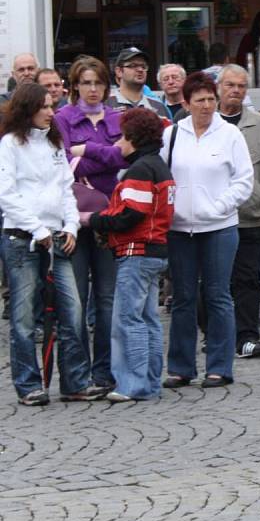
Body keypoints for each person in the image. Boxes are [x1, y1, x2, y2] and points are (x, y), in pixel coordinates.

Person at [0, 83, 104, 405]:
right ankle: (29, 385)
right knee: (24, 319)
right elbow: (6, 194)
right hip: (22, 241)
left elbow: (66, 189)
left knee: (73, 311)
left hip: (59, 239)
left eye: (52, 105)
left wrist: (71, 226)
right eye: (44, 106)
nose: (51, 112)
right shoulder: (9, 145)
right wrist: (36, 229)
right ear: (27, 109)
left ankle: (74, 382)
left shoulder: (54, 143)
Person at [160, 72, 254, 389]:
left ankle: (219, 366)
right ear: (185, 103)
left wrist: (218, 207)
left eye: (210, 99)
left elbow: (244, 181)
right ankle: (181, 367)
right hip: (179, 229)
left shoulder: (229, 135)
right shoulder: (172, 135)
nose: (206, 106)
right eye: (199, 100)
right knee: (184, 297)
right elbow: (162, 177)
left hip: (219, 227)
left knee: (218, 296)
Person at [83, 108, 175, 402]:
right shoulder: (158, 166)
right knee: (147, 319)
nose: (118, 143)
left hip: (136, 252)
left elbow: (131, 215)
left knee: (128, 320)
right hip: (154, 252)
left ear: (133, 138)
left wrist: (94, 219)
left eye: (123, 136)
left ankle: (132, 384)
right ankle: (149, 382)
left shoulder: (140, 170)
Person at [54, 56, 124, 390]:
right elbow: (66, 163)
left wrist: (86, 151)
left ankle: (104, 371)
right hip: (74, 219)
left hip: (110, 218)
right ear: (75, 86)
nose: (93, 89)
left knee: (108, 298)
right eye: (86, 83)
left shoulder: (116, 116)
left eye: (98, 82)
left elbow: (122, 158)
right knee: (77, 299)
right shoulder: (62, 118)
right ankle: (77, 373)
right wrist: (99, 154)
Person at [218, 64, 260, 358]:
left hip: (249, 219)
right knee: (214, 281)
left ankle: (247, 337)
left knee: (247, 279)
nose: (236, 90)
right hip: (210, 222)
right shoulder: (201, 122)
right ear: (218, 87)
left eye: (242, 86)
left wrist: (257, 196)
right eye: (230, 85)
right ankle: (216, 335)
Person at [108, 48, 171, 120]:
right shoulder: (106, 105)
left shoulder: (159, 107)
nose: (140, 70)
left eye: (143, 66)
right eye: (133, 65)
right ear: (119, 71)